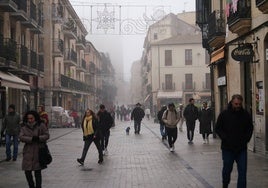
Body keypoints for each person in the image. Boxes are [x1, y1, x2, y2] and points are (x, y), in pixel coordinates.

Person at [215, 94, 253, 188]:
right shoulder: (224, 114)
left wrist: (246, 139)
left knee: (242, 171)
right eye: (236, 104)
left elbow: (250, 128)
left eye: (239, 104)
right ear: (232, 102)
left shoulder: (245, 114)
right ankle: (225, 184)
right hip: (228, 148)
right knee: (227, 169)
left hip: (241, 149)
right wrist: (225, 138)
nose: (238, 106)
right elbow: (218, 128)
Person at [19, 110, 49, 188]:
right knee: (27, 172)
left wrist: (38, 138)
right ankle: (31, 186)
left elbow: (47, 135)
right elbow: (21, 137)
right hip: (28, 152)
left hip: (38, 151)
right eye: (28, 118)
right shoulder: (24, 126)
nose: (30, 120)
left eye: (31, 118)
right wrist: (31, 139)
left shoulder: (40, 125)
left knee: (37, 172)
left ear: (35, 118)